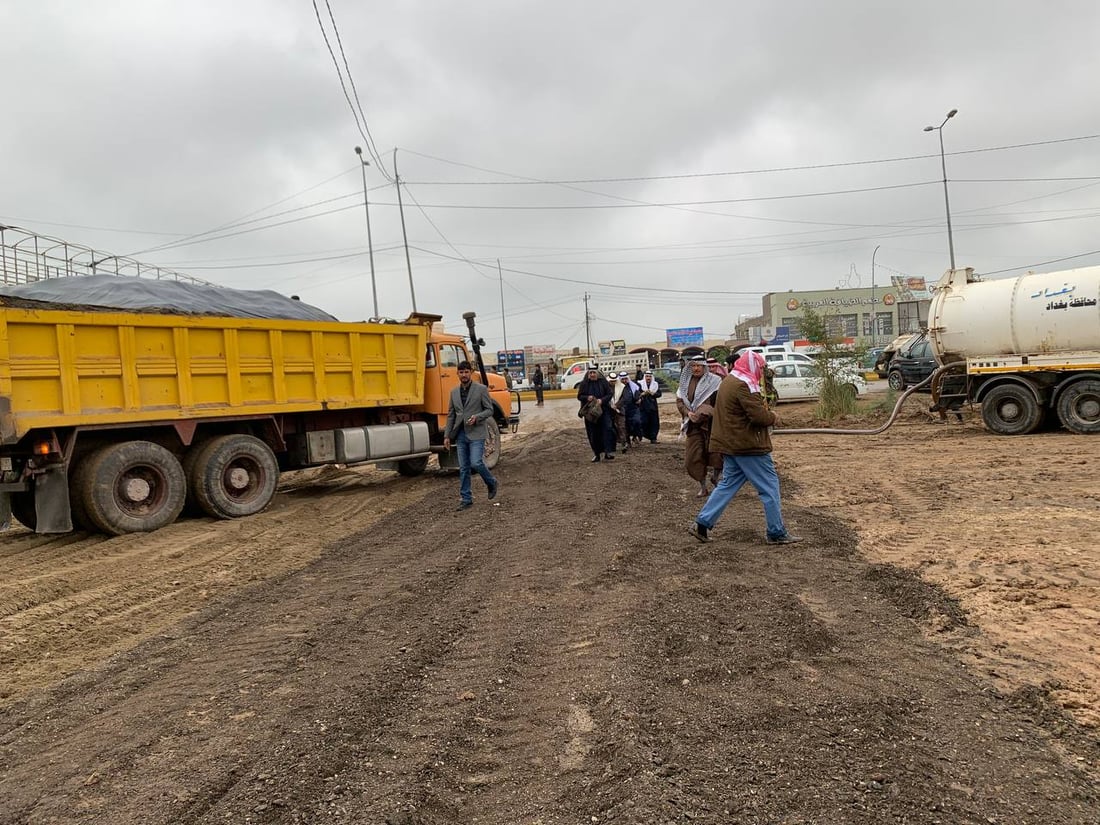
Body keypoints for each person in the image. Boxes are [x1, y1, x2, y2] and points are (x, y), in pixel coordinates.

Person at [689, 350, 802, 545]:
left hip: (731, 445)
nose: (761, 371)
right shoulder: (744, 385)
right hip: (747, 446)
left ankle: (702, 523)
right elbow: (758, 416)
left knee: (727, 485)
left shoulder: (730, 380)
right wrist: (774, 417)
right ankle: (776, 532)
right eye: (760, 367)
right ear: (752, 366)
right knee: (769, 486)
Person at [443, 360, 499, 510]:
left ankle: (491, 482)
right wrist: (447, 436)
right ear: (457, 374)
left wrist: (477, 417)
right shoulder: (454, 392)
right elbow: (451, 415)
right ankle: (466, 498)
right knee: (463, 468)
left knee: (476, 462)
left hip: (477, 433)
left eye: (466, 372)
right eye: (461, 372)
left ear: (471, 373)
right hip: (460, 434)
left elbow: (489, 410)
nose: (464, 375)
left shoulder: (481, 389)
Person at [675, 355, 723, 497]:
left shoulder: (715, 381)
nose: (696, 368)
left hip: (712, 424)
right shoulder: (685, 383)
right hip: (693, 426)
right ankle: (703, 486)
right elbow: (679, 402)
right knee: (693, 457)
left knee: (716, 454)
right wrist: (688, 413)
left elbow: (720, 402)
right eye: (693, 366)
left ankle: (716, 478)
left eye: (699, 365)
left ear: (704, 367)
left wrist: (705, 411)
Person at [576, 365, 616, 462]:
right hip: (590, 413)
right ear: (588, 374)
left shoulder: (603, 382)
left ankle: (608, 452)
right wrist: (587, 398)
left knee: (607, 429)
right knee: (593, 433)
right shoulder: (584, 384)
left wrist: (602, 400)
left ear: (597, 373)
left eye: (594, 373)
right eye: (591, 373)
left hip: (604, 410)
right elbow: (579, 396)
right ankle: (596, 454)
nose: (592, 374)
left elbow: (610, 394)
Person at [636, 369, 662, 443]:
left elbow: (659, 394)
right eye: (647, 376)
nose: (648, 378)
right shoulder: (640, 384)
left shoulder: (655, 385)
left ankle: (653, 438)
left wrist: (653, 393)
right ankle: (640, 435)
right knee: (643, 422)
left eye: (650, 377)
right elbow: (636, 394)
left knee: (654, 423)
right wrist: (642, 394)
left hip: (653, 407)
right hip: (643, 407)